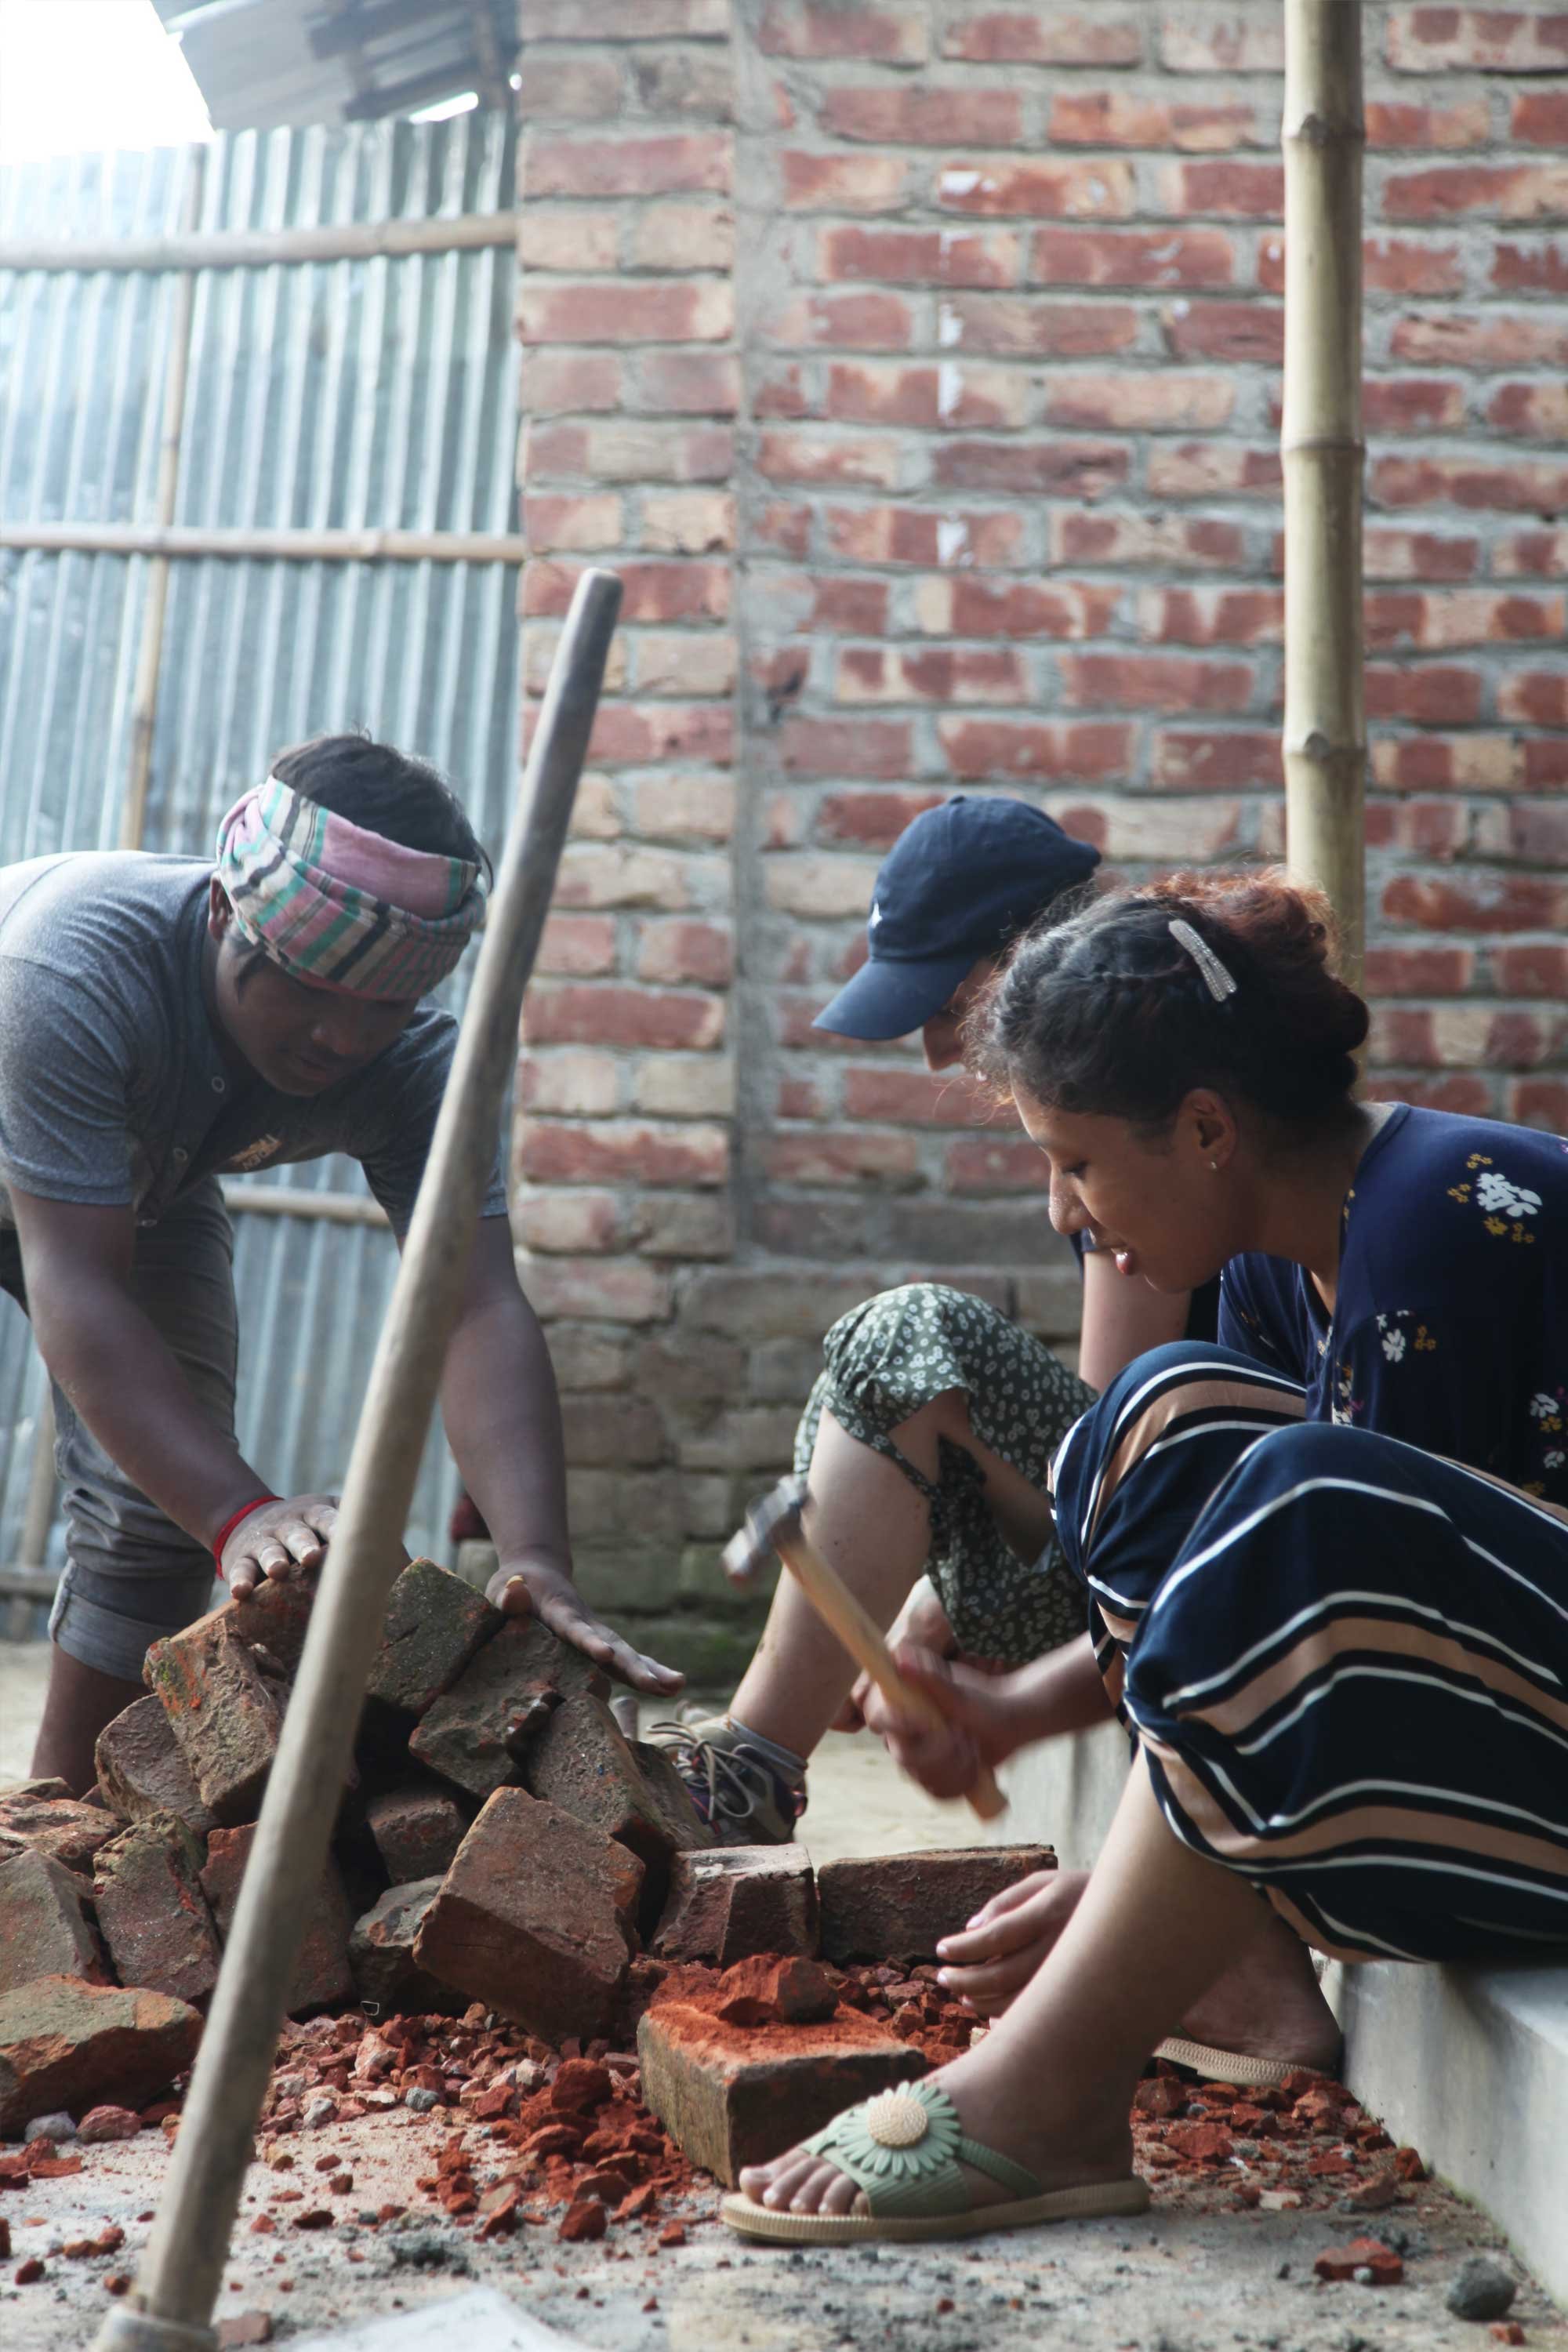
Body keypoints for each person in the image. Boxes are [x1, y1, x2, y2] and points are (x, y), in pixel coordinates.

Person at [723, 869, 1568, 2244]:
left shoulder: (1440, 1228)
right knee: (1150, 1432)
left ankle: (1049, 2096)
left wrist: (1129, 1895)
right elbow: (1241, 1598)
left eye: (1077, 1162)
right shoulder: (1270, 1255)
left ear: (1207, 1129)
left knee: (1295, 1493)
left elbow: (1346, 1607)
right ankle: (1235, 1960)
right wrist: (1008, 1711)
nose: (1065, 1212)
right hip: (1492, 1749)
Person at [4, 735, 681, 1793]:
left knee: (152, 1523)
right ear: (229, 914)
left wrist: (534, 1556)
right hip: (62, 1166)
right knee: (210, 1505)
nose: (341, 1040)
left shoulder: (411, 1066)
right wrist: (245, 1513)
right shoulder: (70, 968)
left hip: (142, 1175)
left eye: (383, 1010)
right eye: (312, 991)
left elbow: (474, 1304)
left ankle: (51, 1846)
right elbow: (75, 1285)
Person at [654, 796, 1218, 1844]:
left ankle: (748, 1777)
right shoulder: (1130, 1070)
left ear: (1021, 961)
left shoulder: (1136, 1099)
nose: (929, 1049)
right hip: (1174, 1501)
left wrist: (951, 1609)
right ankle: (753, 1763)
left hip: (1193, 1550)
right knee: (866, 1379)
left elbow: (1115, 1456)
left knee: (905, 1340)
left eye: (941, 1002)